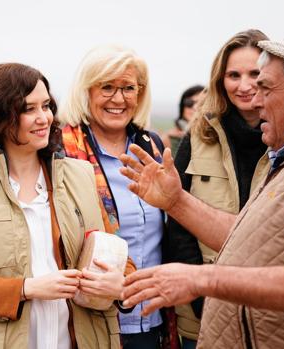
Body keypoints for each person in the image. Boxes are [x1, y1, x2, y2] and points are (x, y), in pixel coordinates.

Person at [120, 38, 284, 348]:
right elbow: (251, 240)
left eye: (266, 88)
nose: (255, 99)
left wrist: (201, 279)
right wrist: (176, 202)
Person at [0, 63, 132, 349]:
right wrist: (27, 289)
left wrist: (119, 285)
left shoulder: (81, 175)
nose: (44, 118)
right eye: (28, 109)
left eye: (47, 106)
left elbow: (121, 259)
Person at [59, 45, 177, 349]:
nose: (119, 98)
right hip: (89, 321)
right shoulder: (62, 152)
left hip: (153, 320)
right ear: (86, 91)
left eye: (128, 88)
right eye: (107, 87)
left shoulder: (149, 146)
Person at [165, 29, 270, 349]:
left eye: (255, 73)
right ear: (219, 80)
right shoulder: (198, 136)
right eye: (233, 75)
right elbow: (178, 221)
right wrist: (202, 297)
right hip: (203, 315)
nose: (244, 85)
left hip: (272, 315)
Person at [161, 85, 204, 156]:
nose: (194, 107)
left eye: (201, 104)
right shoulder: (168, 138)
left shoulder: (215, 138)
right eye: (189, 103)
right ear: (182, 107)